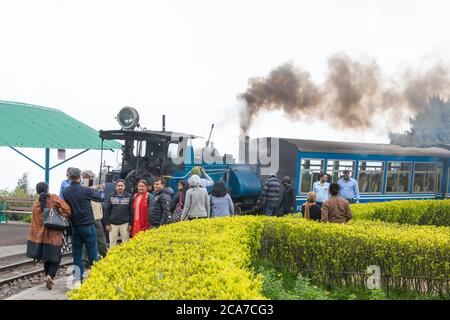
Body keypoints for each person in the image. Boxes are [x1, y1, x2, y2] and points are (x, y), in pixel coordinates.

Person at [27, 182, 71, 290]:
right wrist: (59, 213)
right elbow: (67, 209)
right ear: (47, 189)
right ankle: (50, 276)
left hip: (40, 236)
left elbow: (35, 222)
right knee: (57, 256)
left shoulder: (36, 203)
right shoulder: (53, 198)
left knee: (46, 257)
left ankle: (47, 275)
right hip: (54, 234)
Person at [62, 168, 102, 283]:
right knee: (93, 253)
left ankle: (78, 279)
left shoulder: (66, 191)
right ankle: (96, 278)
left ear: (69, 177)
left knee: (77, 254)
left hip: (75, 227)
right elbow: (100, 197)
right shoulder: (85, 190)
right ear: (79, 177)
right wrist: (94, 189)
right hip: (88, 226)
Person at [82, 170, 107, 258]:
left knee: (88, 239)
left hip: (93, 217)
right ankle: (103, 256)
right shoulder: (87, 189)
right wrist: (99, 190)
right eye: (91, 178)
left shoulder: (90, 188)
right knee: (100, 238)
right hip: (94, 217)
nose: (93, 180)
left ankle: (87, 259)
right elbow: (101, 198)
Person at [104, 179, 133, 247]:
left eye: (121, 186)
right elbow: (107, 210)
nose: (120, 187)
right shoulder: (111, 196)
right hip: (113, 224)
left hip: (125, 224)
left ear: (124, 187)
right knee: (112, 244)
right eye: (118, 185)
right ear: (116, 187)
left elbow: (131, 211)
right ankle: (112, 257)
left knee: (126, 244)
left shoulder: (129, 196)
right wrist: (107, 224)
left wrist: (130, 224)